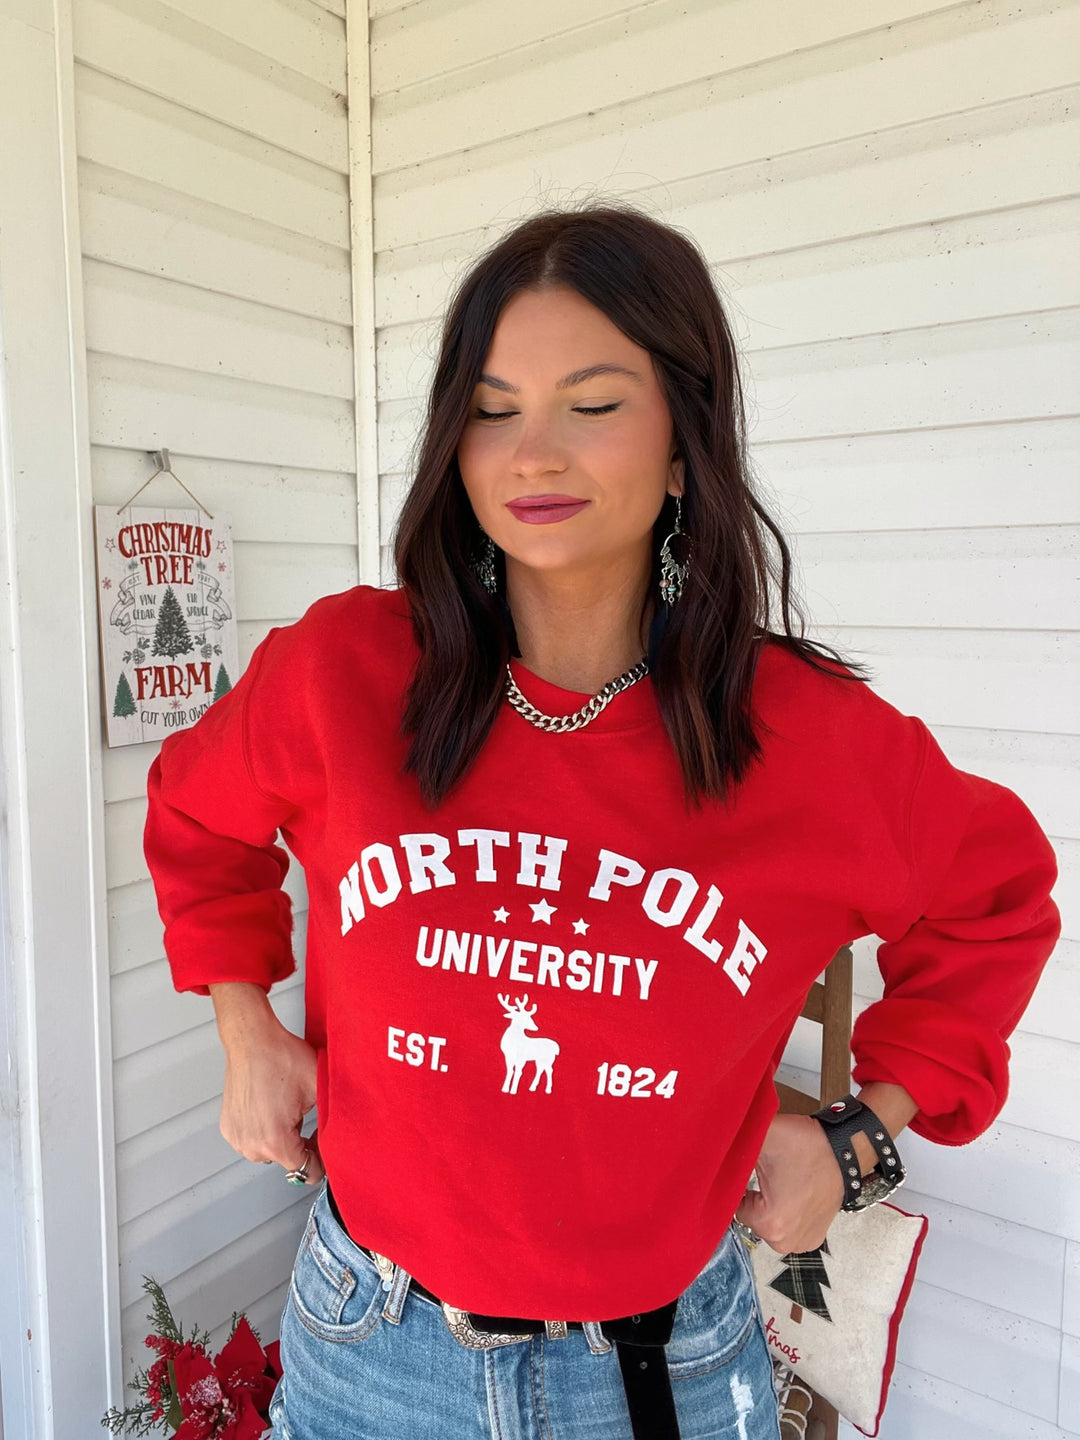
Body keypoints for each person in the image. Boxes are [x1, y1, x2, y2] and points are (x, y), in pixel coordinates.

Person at [143, 202, 1061, 1440]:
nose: (532, 454)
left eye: (591, 404)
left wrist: (859, 1142)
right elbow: (199, 815)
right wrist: (243, 1019)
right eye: (492, 409)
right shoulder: (340, 674)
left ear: (685, 444)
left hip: (661, 1371)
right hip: (372, 1347)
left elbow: (996, 903)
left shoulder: (813, 742)